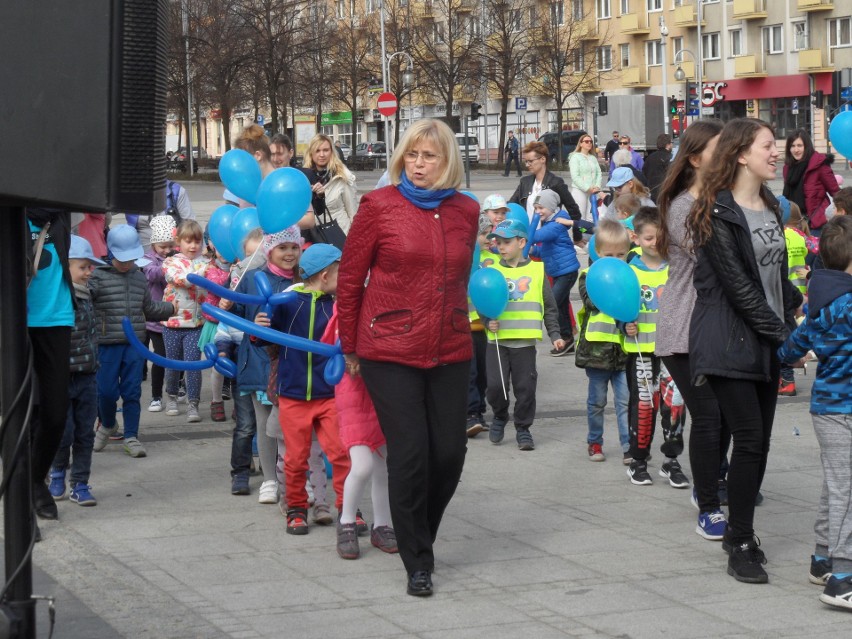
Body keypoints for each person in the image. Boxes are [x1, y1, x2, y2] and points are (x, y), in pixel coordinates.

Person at [336, 119, 479, 597]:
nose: (419, 164)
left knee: (450, 454)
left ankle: (421, 531)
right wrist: (351, 347)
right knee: (411, 453)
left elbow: (461, 276)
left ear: (447, 162)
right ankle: (418, 560)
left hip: (451, 345)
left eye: (430, 156)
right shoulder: (378, 206)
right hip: (389, 347)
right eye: (413, 155)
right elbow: (351, 279)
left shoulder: (466, 210)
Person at [688, 118, 803, 584]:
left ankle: (741, 532)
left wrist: (808, 304)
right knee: (750, 439)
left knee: (758, 447)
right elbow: (740, 290)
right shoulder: (716, 211)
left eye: (776, 147)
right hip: (730, 342)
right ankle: (738, 541)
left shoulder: (772, 205)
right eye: (768, 146)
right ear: (741, 154)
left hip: (767, 344)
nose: (776, 153)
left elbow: (773, 279)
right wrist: (788, 339)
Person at [655, 119, 729, 542]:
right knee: (708, 416)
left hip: (717, 326)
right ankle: (708, 503)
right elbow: (716, 261)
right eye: (721, 149)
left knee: (726, 419)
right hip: (684, 325)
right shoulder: (685, 205)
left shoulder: (724, 199)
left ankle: (712, 481)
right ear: (697, 157)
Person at [777, 215, 852, 610]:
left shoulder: (821, 305)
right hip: (845, 409)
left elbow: (790, 350)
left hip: (827, 408)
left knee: (837, 485)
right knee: (847, 490)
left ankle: (823, 558)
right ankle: (842, 578)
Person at [258, 244, 351, 538]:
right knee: (295, 458)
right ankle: (297, 507)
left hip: (329, 395)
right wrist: (258, 326)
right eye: (341, 272)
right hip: (294, 395)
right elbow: (263, 339)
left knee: (340, 455)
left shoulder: (339, 305)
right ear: (325, 276)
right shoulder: (287, 302)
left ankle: (347, 509)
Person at [90, 225, 176, 458]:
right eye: (122, 258)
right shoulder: (96, 277)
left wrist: (171, 308)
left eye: (131, 258)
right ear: (112, 252)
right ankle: (107, 424)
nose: (127, 263)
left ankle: (131, 436)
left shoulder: (139, 278)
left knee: (131, 391)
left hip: (135, 344)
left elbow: (148, 308)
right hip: (106, 344)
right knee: (106, 392)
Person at [321, 309, 397, 559]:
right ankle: (347, 522)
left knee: (382, 466)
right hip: (353, 393)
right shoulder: (345, 312)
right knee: (362, 465)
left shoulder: (384, 305)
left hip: (381, 392)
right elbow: (336, 349)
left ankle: (382, 525)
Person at [482, 219, 564, 451]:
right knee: (495, 387)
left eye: (507, 242)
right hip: (496, 341)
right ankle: (499, 415)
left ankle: (523, 428)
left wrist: (555, 333)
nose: (501, 246)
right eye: (498, 242)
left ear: (521, 242)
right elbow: (481, 301)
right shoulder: (491, 270)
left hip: (524, 343)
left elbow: (549, 306)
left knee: (525, 389)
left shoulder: (537, 270)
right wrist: (488, 321)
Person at [621, 207, 688, 489]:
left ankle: (671, 460)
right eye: (648, 238)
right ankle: (638, 459)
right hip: (641, 351)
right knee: (643, 406)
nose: (654, 243)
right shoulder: (628, 270)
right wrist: (624, 324)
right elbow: (619, 305)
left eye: (660, 238)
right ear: (636, 237)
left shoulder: (677, 268)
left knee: (675, 407)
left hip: (673, 351)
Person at [47, 236, 105, 507]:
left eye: (90, 267)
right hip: (61, 377)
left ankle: (80, 483)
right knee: (64, 431)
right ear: (64, 267)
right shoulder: (55, 299)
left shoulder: (89, 294)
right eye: (83, 267)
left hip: (87, 376)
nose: (89, 272)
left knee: (85, 433)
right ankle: (57, 473)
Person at [27, 208, 75, 524]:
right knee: (23, 413)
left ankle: (32, 479)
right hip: (17, 321)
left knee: (56, 414)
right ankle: (25, 494)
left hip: (57, 320)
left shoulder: (59, 214)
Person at [576, 219, 632, 463]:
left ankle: (629, 446)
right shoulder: (588, 276)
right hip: (596, 352)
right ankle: (595, 442)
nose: (616, 260)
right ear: (597, 253)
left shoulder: (630, 275)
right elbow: (591, 302)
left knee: (625, 402)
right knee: (596, 402)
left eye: (621, 254)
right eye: (610, 254)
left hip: (623, 351)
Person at [161, 220, 210, 423]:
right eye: (188, 241)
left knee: (193, 365)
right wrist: (202, 275)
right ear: (178, 242)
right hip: (172, 324)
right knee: (172, 364)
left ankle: (193, 403)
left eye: (197, 241)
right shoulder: (170, 263)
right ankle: (171, 396)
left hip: (196, 325)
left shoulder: (206, 263)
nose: (193, 246)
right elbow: (180, 279)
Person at [528, 189, 580, 356]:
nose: (538, 212)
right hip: (558, 271)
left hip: (567, 271)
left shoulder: (557, 224)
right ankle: (568, 340)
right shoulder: (549, 224)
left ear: (551, 207)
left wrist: (525, 236)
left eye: (541, 208)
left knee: (554, 303)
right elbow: (543, 250)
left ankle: (563, 338)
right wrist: (531, 251)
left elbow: (537, 236)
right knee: (562, 305)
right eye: (535, 208)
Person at [509, 140, 582, 242]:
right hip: (526, 238)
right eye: (526, 161)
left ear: (543, 159)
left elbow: (574, 210)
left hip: (548, 239)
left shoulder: (556, 182)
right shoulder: (524, 182)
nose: (527, 165)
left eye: (530, 161)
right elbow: (511, 206)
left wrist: (577, 237)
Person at [466, 214, 496, 437]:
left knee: (484, 373)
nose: (489, 238)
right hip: (463, 326)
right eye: (483, 234)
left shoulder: (491, 259)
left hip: (484, 326)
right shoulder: (463, 259)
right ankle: (471, 414)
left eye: (490, 233)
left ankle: (480, 411)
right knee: (470, 372)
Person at [142, 216, 175, 413]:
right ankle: (156, 396)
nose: (166, 250)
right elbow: (151, 274)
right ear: (154, 243)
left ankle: (178, 386)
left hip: (174, 319)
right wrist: (169, 266)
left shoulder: (175, 256)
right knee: (160, 357)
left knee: (175, 355)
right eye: (162, 246)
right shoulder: (148, 258)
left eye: (169, 246)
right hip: (155, 320)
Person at [782, 129, 840, 235]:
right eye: (792, 146)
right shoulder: (787, 168)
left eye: (799, 145)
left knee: (812, 252)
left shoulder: (819, 165)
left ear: (806, 146)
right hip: (793, 223)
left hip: (815, 223)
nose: (796, 150)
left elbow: (836, 193)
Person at [302, 133, 358, 234]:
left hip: (340, 234)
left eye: (326, 150)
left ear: (332, 152)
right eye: (317, 150)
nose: (322, 155)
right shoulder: (304, 177)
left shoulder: (342, 176)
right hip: (314, 236)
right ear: (311, 153)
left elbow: (352, 212)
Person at [132, 180, 196, 247]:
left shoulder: (176, 191)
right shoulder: (131, 192)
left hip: (172, 251)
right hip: (139, 252)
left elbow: (190, 226)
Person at [568, 133, 602, 222]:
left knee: (591, 217)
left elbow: (599, 173)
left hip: (593, 191)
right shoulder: (575, 157)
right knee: (580, 217)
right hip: (580, 191)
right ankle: (581, 234)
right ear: (581, 144)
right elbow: (575, 176)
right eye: (586, 141)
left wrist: (597, 186)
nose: (589, 143)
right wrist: (587, 188)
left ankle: (588, 235)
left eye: (591, 141)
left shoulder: (593, 158)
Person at [643, 134, 673, 202]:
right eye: (671, 143)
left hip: (651, 192)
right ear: (667, 145)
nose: (672, 145)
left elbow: (644, 172)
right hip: (665, 193)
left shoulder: (649, 158)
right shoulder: (670, 158)